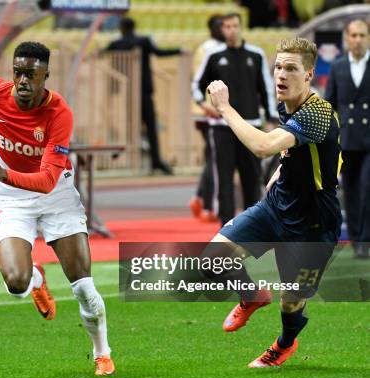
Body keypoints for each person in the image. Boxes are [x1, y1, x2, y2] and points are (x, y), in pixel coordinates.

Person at [0, 42, 115, 376]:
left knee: (84, 287)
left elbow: (46, 180)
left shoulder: (59, 114)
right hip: (12, 199)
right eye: (17, 72)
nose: (22, 81)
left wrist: (5, 173)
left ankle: (102, 353)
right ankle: (36, 277)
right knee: (15, 283)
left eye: (30, 74)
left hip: (55, 196)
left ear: (46, 76)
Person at [204, 37, 342, 367]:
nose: (281, 75)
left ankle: (284, 344)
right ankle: (252, 295)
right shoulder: (287, 104)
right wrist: (282, 168)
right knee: (212, 258)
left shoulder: (317, 114)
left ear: (309, 74)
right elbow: (293, 150)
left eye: (291, 69)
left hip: (313, 223)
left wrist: (225, 108)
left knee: (291, 303)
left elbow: (263, 145)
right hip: (277, 206)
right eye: (278, 66)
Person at [192, 12, 278, 225]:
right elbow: (196, 86)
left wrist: (271, 117)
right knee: (224, 179)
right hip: (221, 127)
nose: (231, 30)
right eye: (227, 27)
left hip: (251, 126)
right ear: (222, 30)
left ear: (241, 27)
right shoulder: (213, 55)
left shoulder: (256, 55)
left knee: (252, 178)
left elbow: (266, 89)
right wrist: (204, 106)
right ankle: (227, 228)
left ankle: (253, 225)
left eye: (235, 26)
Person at [105, 17, 183, 175]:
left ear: (121, 28)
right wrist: (179, 50)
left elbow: (106, 56)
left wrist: (113, 90)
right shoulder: (144, 41)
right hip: (145, 91)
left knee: (131, 127)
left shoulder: (116, 44)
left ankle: (132, 161)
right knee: (151, 127)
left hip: (130, 91)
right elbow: (159, 53)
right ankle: (156, 161)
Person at [325, 19, 370, 258]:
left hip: (369, 140)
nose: (358, 40)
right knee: (351, 192)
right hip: (348, 140)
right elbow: (330, 101)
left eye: (362, 35)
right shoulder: (338, 66)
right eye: (354, 35)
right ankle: (357, 242)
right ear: (346, 37)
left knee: (367, 189)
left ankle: (365, 240)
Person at [189, 14, 224, 222]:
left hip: (213, 110)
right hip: (208, 111)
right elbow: (204, 81)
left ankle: (201, 197)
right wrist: (208, 107)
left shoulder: (212, 47)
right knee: (215, 158)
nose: (226, 29)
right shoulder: (209, 49)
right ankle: (207, 203)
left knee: (213, 157)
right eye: (222, 26)